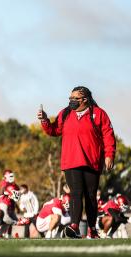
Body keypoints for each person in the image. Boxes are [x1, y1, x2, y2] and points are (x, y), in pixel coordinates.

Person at [38, 86, 116, 239]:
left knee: (91, 196)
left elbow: (108, 135)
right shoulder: (66, 113)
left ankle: (92, 230)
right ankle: (74, 226)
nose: (71, 101)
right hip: (71, 161)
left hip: (92, 161)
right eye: (70, 98)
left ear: (85, 99)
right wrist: (45, 120)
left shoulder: (98, 114)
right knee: (76, 193)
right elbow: (54, 131)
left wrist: (109, 155)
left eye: (75, 98)